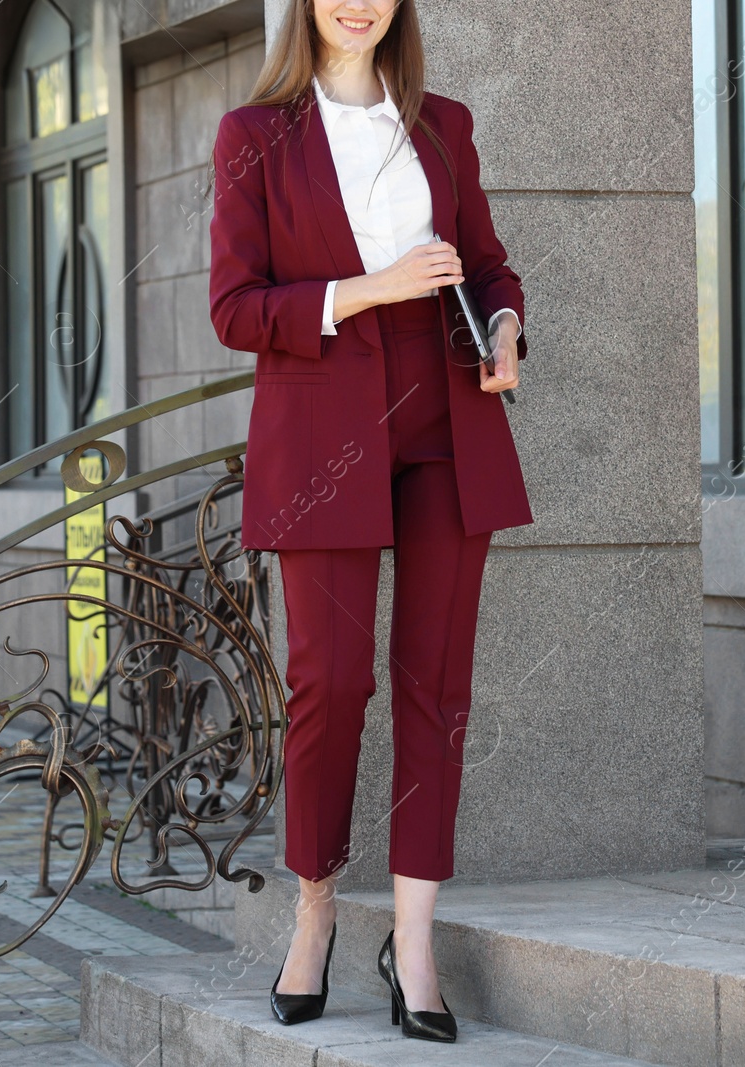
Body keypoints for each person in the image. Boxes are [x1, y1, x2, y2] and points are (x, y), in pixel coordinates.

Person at [207, 0, 532, 1042]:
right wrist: (368, 288)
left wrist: (509, 323)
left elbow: (487, 263)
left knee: (437, 684)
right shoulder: (255, 137)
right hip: (323, 439)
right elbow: (233, 307)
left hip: (446, 418)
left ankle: (416, 941)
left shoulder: (443, 122)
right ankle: (313, 913)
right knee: (330, 682)